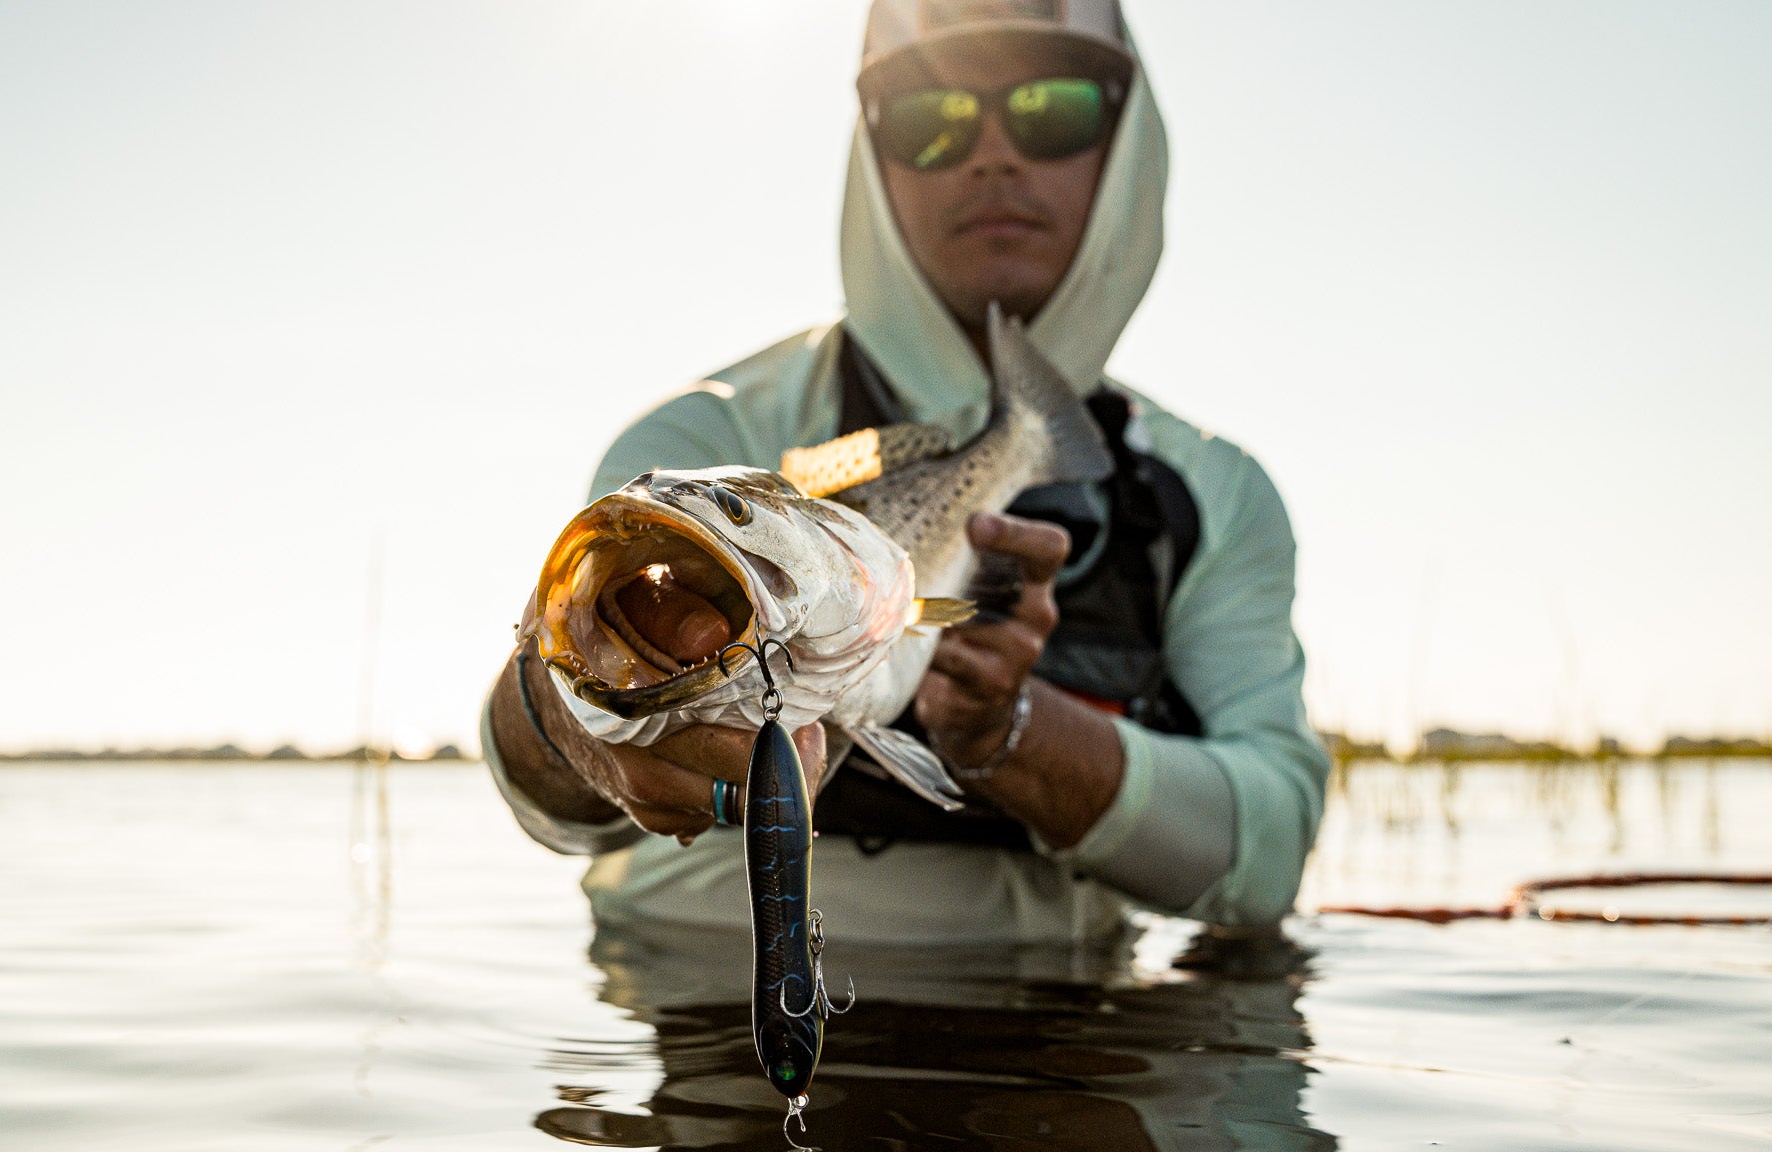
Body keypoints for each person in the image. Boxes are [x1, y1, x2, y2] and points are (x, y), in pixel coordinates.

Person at [483, 0, 1327, 943]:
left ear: (1127, 146)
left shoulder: (1213, 493)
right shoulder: (701, 435)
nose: (992, 156)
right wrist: (569, 708)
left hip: (1060, 1017)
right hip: (677, 989)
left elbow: (1272, 856)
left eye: (1053, 110)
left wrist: (1018, 732)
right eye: (933, 118)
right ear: (871, 154)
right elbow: (547, 805)